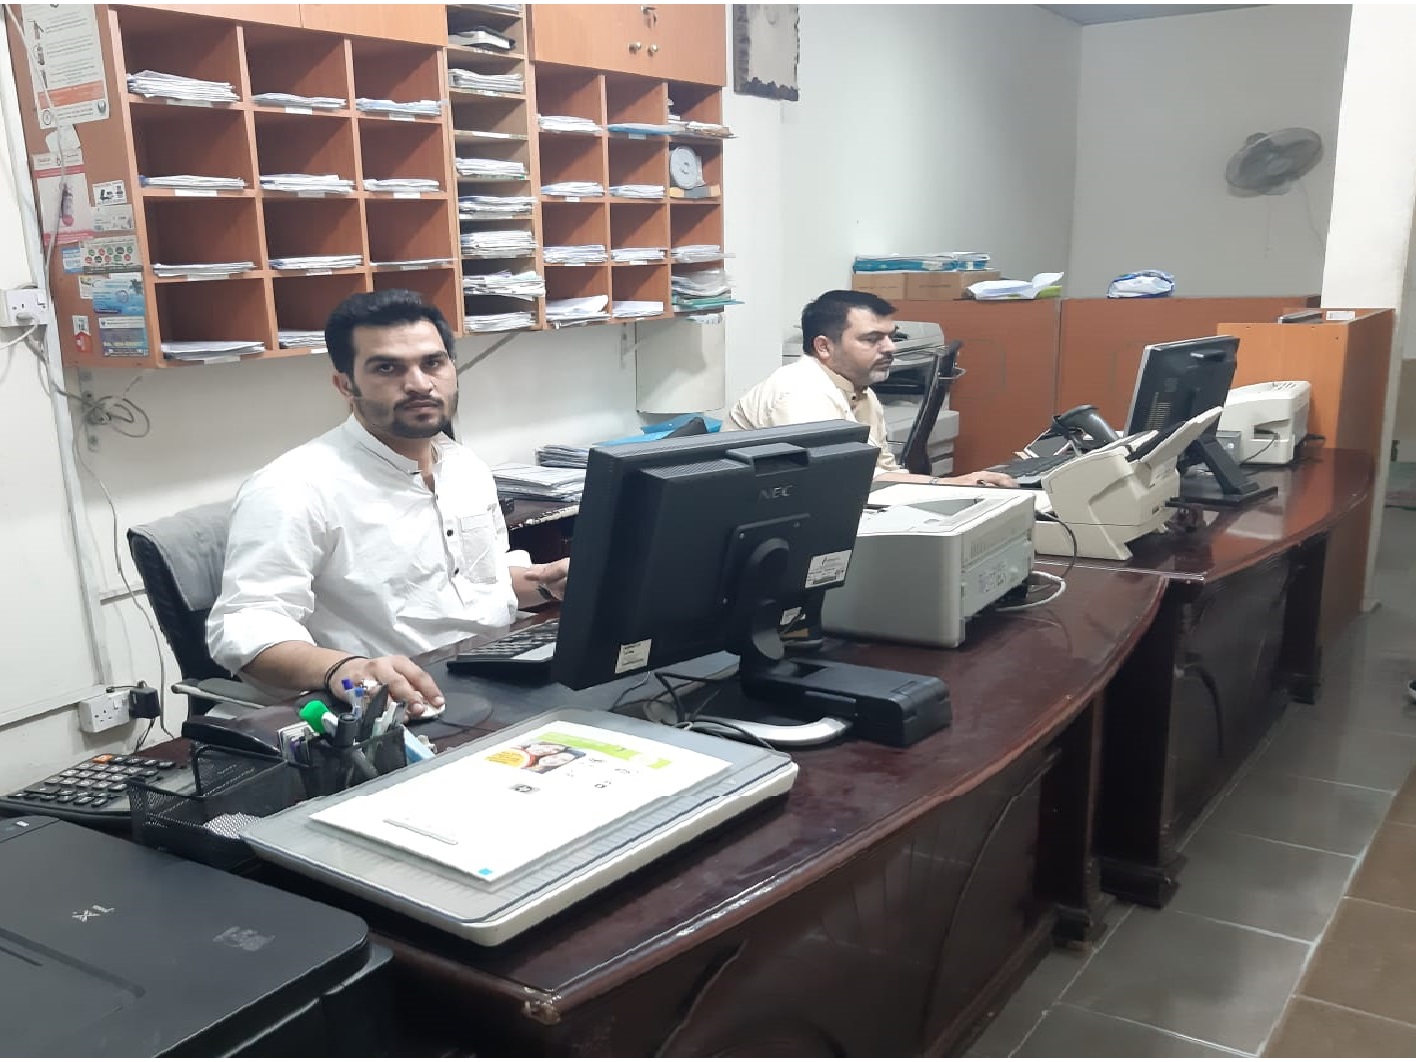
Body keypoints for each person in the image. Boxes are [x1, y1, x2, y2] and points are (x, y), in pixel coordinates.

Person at [206, 289, 569, 716]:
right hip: (397, 707)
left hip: (496, 676)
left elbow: (478, 586)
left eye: (432, 363)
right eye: (387, 368)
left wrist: (546, 581)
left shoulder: (463, 465)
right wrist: (345, 669)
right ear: (346, 385)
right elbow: (245, 628)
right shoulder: (293, 487)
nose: (419, 384)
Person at [726, 289, 1016, 487]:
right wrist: (946, 484)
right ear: (824, 347)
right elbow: (837, 483)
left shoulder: (861, 390)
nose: (891, 348)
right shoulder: (802, 392)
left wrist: (948, 491)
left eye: (891, 337)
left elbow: (882, 470)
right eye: (872, 339)